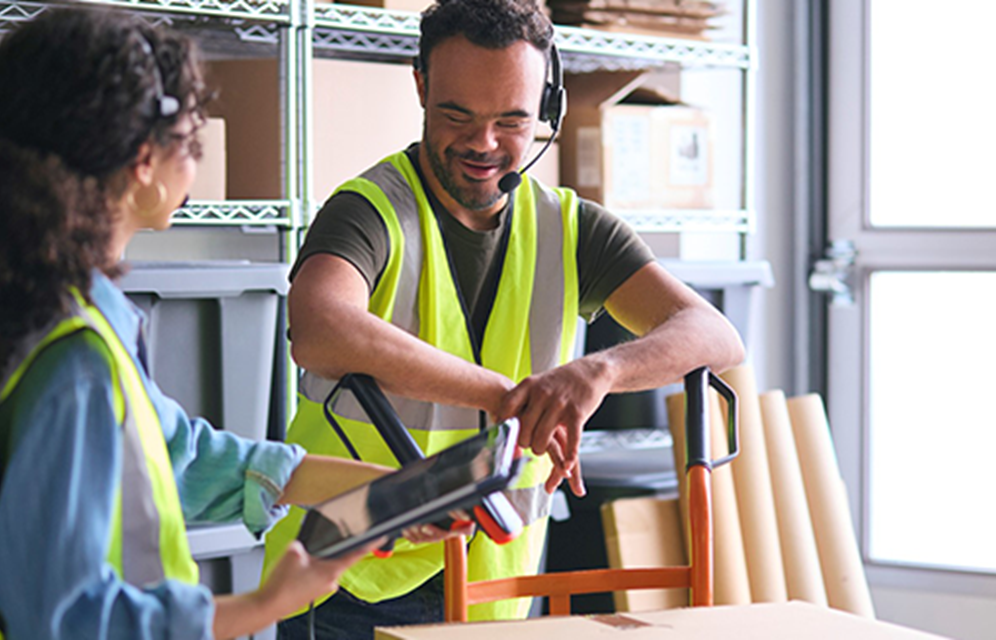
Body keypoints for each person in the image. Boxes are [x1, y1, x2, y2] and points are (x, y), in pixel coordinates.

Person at [263, 0, 746, 637]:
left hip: (495, 586)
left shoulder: (570, 227)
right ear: (421, 87)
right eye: (456, 115)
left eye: (512, 121)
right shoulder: (368, 210)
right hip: (347, 572)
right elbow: (319, 326)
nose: (484, 144)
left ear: (547, 107)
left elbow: (714, 335)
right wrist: (508, 400)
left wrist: (594, 373)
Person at [0, 8, 457, 640]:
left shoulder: (73, 321)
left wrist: (395, 492)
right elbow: (65, 618)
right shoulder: (75, 366)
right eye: (192, 136)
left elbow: (188, 457)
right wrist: (265, 606)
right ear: (142, 160)